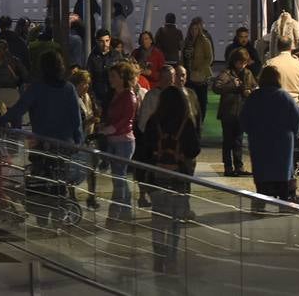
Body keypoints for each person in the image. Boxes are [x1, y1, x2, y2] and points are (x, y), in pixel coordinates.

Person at [140, 87, 200, 273]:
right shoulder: (186, 122)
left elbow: (145, 150)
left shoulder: (154, 121)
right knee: (175, 221)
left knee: (158, 219)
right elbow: (194, 150)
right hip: (178, 177)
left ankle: (158, 257)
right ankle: (172, 258)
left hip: (157, 178)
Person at [240, 65, 299, 208]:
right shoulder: (285, 97)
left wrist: (251, 132)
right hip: (282, 143)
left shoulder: (254, 97)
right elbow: (297, 118)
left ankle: (260, 203)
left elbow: (244, 119)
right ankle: (283, 201)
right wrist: (294, 133)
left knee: (262, 174)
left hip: (259, 142)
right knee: (282, 174)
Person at [0, 51, 82, 145]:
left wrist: (1, 120)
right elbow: (76, 118)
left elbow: (19, 109)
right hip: (65, 143)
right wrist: (78, 141)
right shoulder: (69, 88)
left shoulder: (37, 88)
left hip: (42, 143)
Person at [99, 62, 138, 227]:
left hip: (123, 141)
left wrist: (109, 129)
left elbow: (125, 120)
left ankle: (115, 214)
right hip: (115, 139)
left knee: (119, 179)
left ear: (123, 78)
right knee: (119, 178)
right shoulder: (115, 94)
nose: (110, 79)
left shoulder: (128, 96)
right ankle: (126, 211)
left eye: (114, 76)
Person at [213, 50, 256, 177]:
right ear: (234, 61)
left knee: (238, 140)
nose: (242, 65)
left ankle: (239, 166)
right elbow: (216, 87)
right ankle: (228, 167)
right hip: (228, 112)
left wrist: (250, 91)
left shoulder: (248, 73)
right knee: (228, 141)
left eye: (244, 62)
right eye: (239, 62)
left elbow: (254, 86)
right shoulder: (227, 73)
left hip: (242, 112)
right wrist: (233, 87)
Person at [71, 69, 100, 208]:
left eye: (88, 83)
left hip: (89, 136)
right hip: (77, 137)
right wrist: (87, 122)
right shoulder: (72, 99)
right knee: (74, 167)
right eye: (84, 83)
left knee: (92, 168)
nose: (86, 86)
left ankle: (92, 196)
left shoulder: (88, 97)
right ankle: (71, 195)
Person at [181, 17, 214, 122]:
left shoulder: (204, 41)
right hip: (188, 74)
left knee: (201, 101)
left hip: (200, 76)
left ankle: (200, 121)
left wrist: (200, 68)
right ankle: (190, 121)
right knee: (189, 99)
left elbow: (209, 57)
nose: (193, 31)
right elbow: (183, 56)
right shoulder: (187, 42)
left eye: (196, 29)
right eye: (192, 29)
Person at [87, 30, 122, 111]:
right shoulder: (93, 57)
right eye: (102, 41)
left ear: (110, 40)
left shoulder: (116, 55)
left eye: (107, 41)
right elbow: (90, 77)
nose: (105, 44)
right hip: (99, 95)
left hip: (114, 94)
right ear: (97, 41)